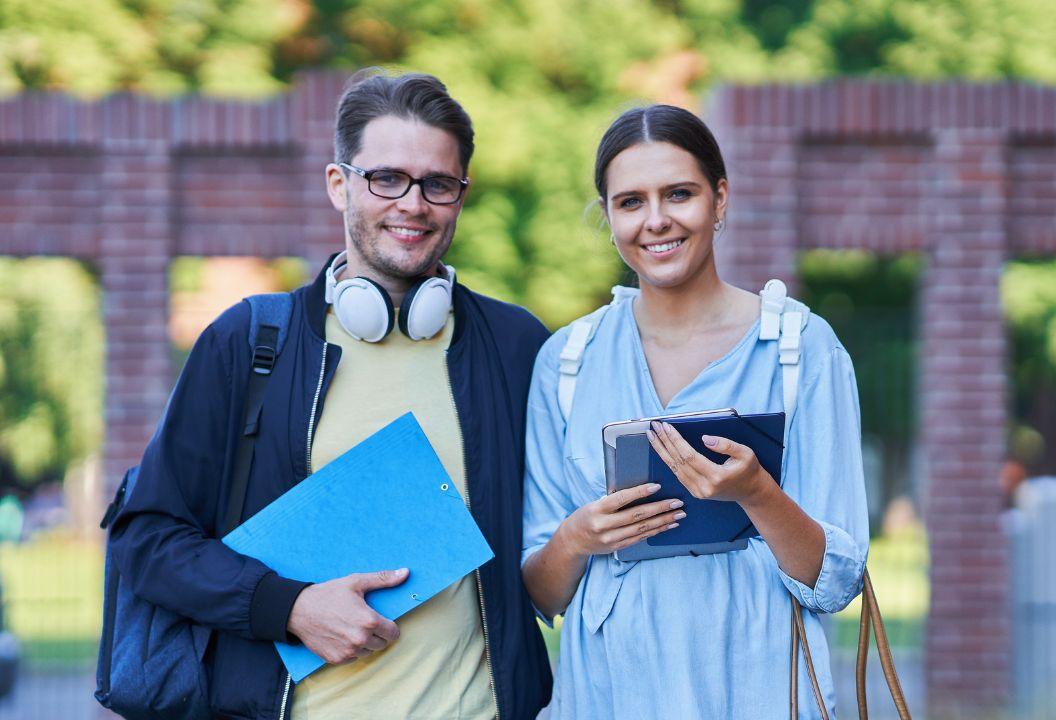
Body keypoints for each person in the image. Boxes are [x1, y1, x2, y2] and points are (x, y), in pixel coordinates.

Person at [110, 69, 553, 719]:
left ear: (461, 195)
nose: (413, 204)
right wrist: (287, 607)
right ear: (339, 184)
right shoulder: (249, 344)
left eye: (437, 184)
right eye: (386, 179)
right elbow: (147, 540)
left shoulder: (516, 347)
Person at [521, 105, 870, 718]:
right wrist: (577, 536)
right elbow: (541, 594)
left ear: (720, 199)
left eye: (679, 194)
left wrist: (757, 493)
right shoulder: (567, 362)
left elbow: (836, 583)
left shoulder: (798, 349)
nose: (656, 220)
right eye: (631, 202)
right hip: (609, 697)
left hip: (758, 692)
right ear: (608, 216)